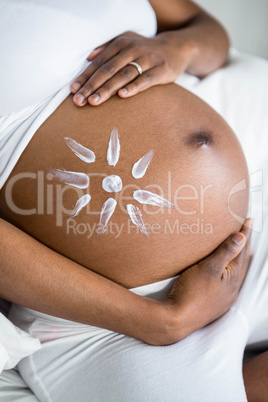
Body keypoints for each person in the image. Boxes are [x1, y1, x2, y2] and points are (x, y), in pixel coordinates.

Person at [0, 0, 267, 400]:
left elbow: (202, 25)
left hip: (246, 227)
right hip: (104, 314)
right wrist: (161, 321)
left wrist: (182, 47)